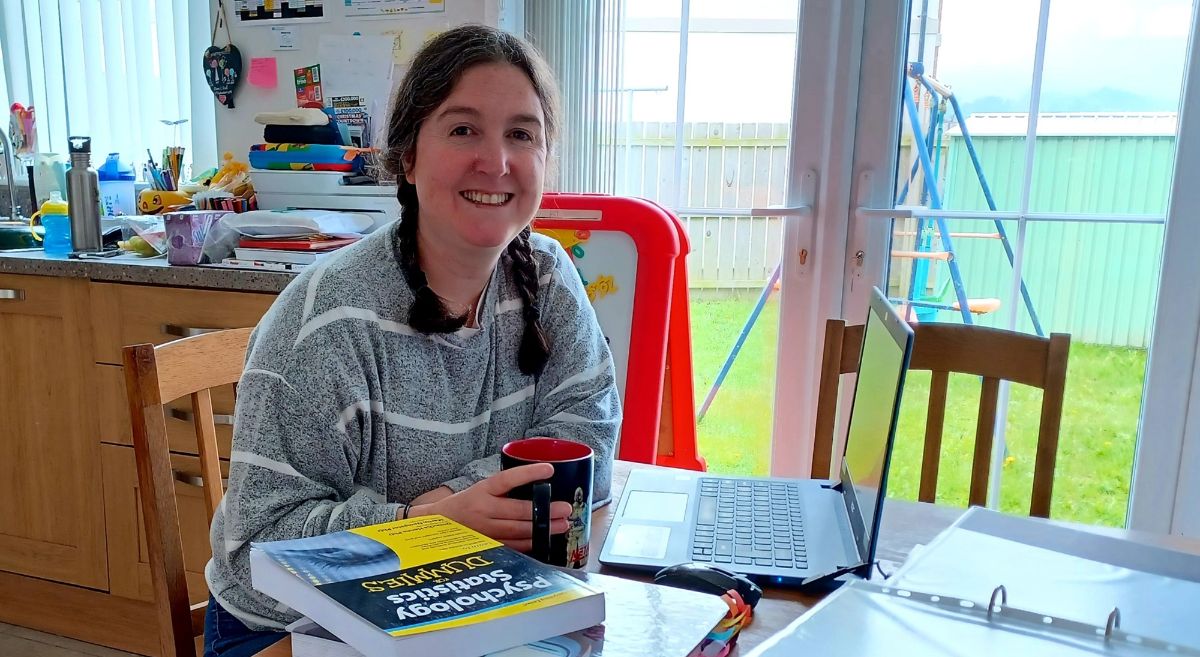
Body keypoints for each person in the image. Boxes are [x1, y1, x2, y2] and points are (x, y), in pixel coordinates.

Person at [202, 24, 620, 657]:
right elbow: (254, 554)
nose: (497, 162)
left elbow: (588, 441)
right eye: (462, 129)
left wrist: (457, 503)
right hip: (288, 635)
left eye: (521, 134)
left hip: (470, 602)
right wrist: (425, 530)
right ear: (406, 156)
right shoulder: (328, 325)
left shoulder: (548, 274)